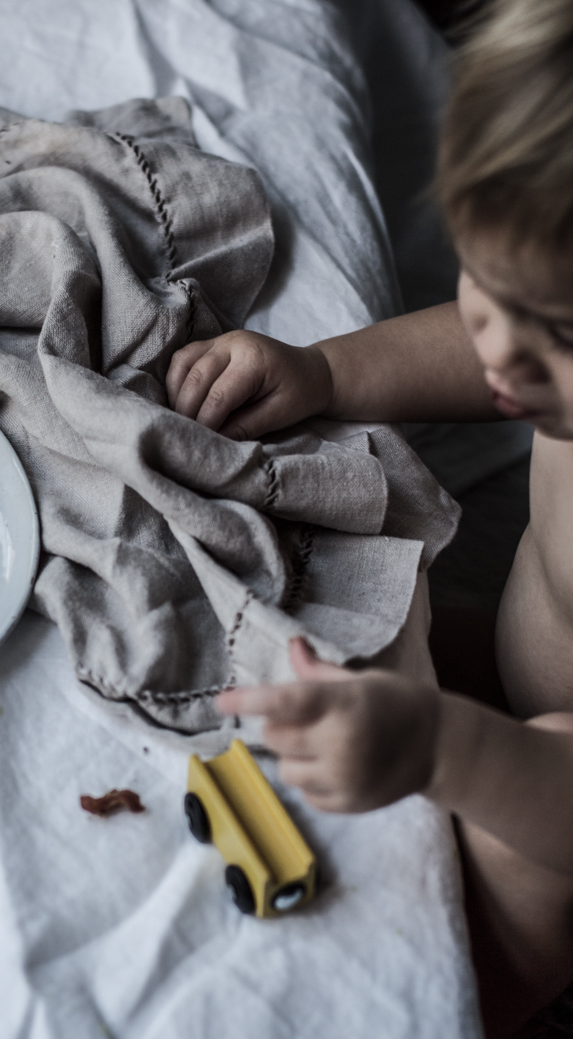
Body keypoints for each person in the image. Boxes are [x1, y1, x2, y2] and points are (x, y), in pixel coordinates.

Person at [166, 1, 573, 1035]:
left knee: (407, 916)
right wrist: (321, 371)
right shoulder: (530, 338)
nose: (499, 349)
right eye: (484, 278)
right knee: (332, 623)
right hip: (527, 660)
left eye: (560, 329)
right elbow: (486, 351)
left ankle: (442, 980)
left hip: (552, 818)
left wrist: (446, 750)